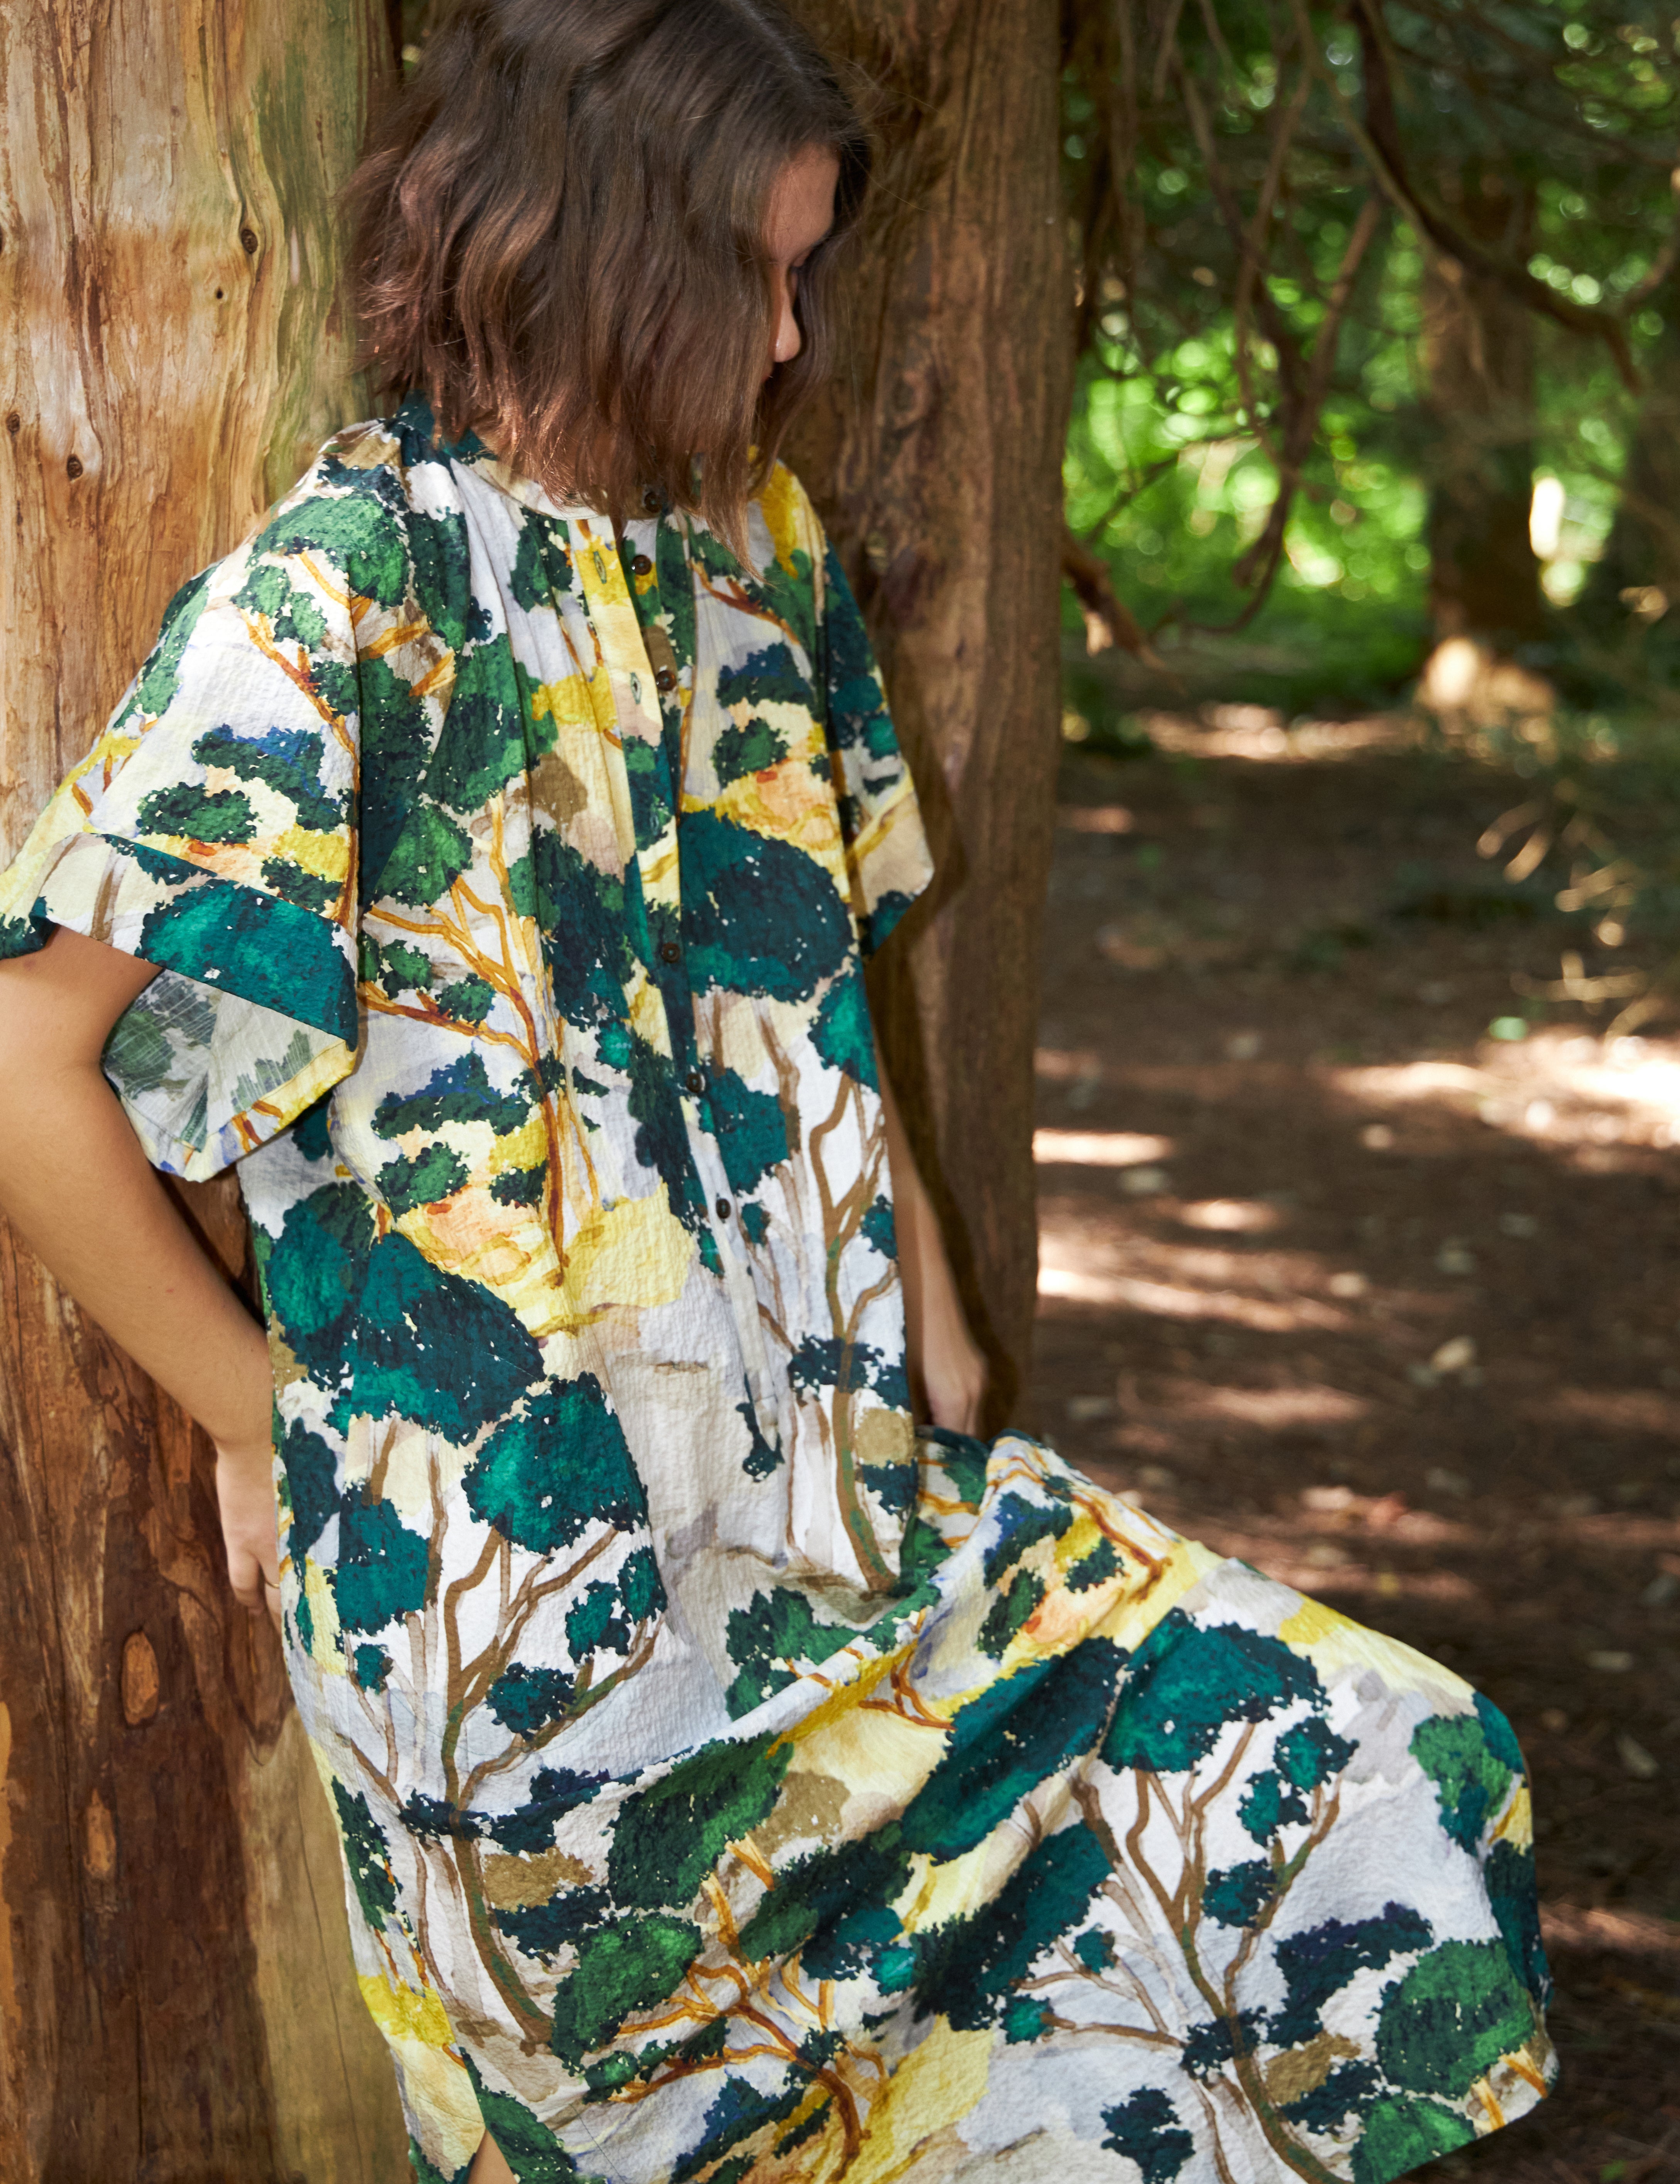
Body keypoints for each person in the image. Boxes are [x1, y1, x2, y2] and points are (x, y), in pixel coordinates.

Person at [0, 4, 1555, 2179]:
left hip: (836, 1509)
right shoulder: (340, 603)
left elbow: (818, 961)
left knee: (1375, 1757)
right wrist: (275, 1414)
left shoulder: (761, 548)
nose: (798, 336)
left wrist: (928, 1287)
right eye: (765, 275)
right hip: (527, 1626)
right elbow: (28, 1062)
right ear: (597, 247)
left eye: (816, 273)